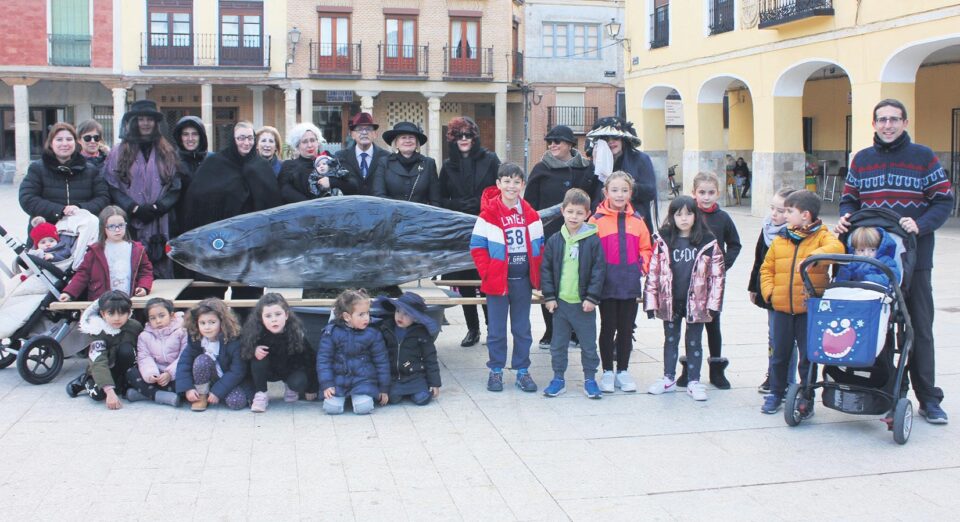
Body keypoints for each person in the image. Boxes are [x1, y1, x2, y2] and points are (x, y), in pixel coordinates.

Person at [836, 99, 953, 425]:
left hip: (914, 259)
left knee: (919, 327)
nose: (888, 125)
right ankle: (885, 392)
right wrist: (846, 216)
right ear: (873, 124)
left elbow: (943, 199)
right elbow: (849, 198)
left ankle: (929, 398)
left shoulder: (923, 157)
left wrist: (922, 224)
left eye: (894, 119)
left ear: (904, 122)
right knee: (879, 325)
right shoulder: (862, 159)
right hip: (873, 259)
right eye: (882, 120)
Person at [760, 190, 844, 415]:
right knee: (779, 355)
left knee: (808, 358)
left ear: (805, 215)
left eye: (789, 211)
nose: (785, 215)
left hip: (808, 310)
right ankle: (776, 393)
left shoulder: (822, 237)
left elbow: (837, 249)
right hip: (782, 310)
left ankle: (806, 397)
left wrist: (812, 258)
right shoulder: (782, 239)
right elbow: (767, 269)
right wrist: (770, 293)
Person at [179, 121, 281, 300]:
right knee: (212, 294)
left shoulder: (261, 166)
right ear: (232, 140)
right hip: (219, 245)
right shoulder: (215, 164)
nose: (246, 143)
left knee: (249, 295)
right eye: (241, 138)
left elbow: (271, 206)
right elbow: (198, 200)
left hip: (251, 247)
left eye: (250, 138)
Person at [470, 163, 545, 393]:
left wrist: (537, 274)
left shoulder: (531, 215)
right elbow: (477, 246)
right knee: (496, 330)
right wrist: (488, 271)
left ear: (523, 185)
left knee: (522, 328)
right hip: (497, 282)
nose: (511, 186)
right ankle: (496, 370)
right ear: (498, 184)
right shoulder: (488, 214)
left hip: (521, 281)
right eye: (507, 181)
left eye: (516, 181)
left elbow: (540, 246)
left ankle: (522, 370)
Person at [644, 196, 725, 401]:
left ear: (696, 215)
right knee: (670, 339)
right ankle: (668, 378)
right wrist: (651, 302)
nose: (684, 218)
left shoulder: (707, 242)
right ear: (672, 217)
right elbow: (653, 272)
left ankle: (694, 381)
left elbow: (717, 276)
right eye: (679, 214)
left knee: (694, 341)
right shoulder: (663, 240)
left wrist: (714, 304)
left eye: (688, 213)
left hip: (697, 303)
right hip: (670, 301)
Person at [526, 124, 597, 349]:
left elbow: (594, 200)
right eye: (550, 141)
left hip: (579, 237)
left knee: (576, 282)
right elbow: (530, 206)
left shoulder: (586, 169)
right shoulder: (541, 168)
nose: (553, 145)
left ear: (570, 144)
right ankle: (551, 331)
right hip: (549, 237)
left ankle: (574, 331)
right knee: (550, 284)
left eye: (558, 141)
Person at [101, 100, 182, 278]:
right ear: (134, 122)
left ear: (156, 123)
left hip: (161, 221)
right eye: (141, 119)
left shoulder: (167, 151)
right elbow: (112, 184)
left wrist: (157, 207)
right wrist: (133, 207)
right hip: (130, 219)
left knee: (161, 266)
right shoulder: (119, 151)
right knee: (131, 268)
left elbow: (175, 187)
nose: (145, 123)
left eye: (150, 119)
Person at [588, 171, 652, 393]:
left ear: (630, 193)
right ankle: (607, 371)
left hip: (629, 284)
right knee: (607, 328)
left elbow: (647, 248)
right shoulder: (595, 221)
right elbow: (589, 251)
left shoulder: (638, 221)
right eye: (614, 190)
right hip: (606, 285)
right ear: (605, 192)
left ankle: (623, 371)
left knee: (626, 329)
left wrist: (640, 267)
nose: (619, 194)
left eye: (624, 190)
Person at [439, 116, 500, 347]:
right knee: (465, 282)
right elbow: (440, 198)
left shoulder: (491, 159)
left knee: (486, 280)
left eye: (467, 134)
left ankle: (492, 329)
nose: (463, 139)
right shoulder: (447, 165)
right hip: (461, 231)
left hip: (486, 227)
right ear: (452, 139)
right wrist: (458, 206)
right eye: (458, 135)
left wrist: (479, 203)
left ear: (474, 137)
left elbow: (500, 188)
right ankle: (472, 329)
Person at [677, 171, 740, 390]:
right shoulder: (687, 215)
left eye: (711, 192)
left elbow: (734, 244)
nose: (706, 197)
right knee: (691, 324)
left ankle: (716, 367)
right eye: (702, 192)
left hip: (713, 282)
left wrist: (723, 265)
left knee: (713, 324)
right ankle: (689, 367)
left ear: (718, 193)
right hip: (688, 282)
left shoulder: (723, 218)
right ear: (693, 193)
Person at [540, 188, 605, 399]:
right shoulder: (555, 241)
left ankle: (590, 379)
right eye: (570, 212)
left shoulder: (593, 240)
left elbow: (598, 271)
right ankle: (558, 378)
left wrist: (592, 298)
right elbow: (546, 270)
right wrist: (549, 297)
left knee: (588, 345)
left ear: (587, 213)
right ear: (562, 211)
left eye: (579, 212)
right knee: (558, 345)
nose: (574, 217)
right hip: (560, 305)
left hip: (583, 305)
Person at [748, 187, 798, 394]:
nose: (775, 214)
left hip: (789, 294)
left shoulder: (795, 234)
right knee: (773, 337)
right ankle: (774, 375)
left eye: (781, 210)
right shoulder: (767, 227)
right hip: (769, 292)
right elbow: (759, 258)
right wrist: (754, 286)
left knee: (788, 339)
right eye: (772, 208)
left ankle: (788, 380)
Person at [19, 122, 110, 228]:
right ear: (51, 143)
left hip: (83, 232)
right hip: (46, 235)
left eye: (69, 139)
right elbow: (27, 198)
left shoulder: (91, 170)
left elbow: (103, 198)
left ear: (76, 143)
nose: (65, 143)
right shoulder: (37, 168)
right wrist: (60, 210)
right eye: (59, 139)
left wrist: (79, 209)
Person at [241, 293, 319, 413]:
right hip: (268, 371)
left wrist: (312, 388)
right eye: (268, 316)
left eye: (278, 314)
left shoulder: (296, 333)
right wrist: (253, 350)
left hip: (289, 370)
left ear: (286, 315)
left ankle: (290, 387)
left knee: (299, 382)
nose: (274, 319)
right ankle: (261, 394)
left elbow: (310, 359)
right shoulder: (255, 334)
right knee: (258, 357)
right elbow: (242, 351)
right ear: (261, 318)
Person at [317, 289, 390, 415]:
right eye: (361, 315)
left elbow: (382, 361)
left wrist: (383, 388)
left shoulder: (373, 333)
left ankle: (358, 397)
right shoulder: (331, 333)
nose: (366, 318)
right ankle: (341, 397)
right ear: (347, 317)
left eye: (367, 313)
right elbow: (324, 360)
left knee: (363, 408)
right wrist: (327, 384)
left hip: (363, 381)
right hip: (338, 381)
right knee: (331, 408)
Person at [65, 291, 142, 410]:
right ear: (102, 313)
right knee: (98, 394)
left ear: (129, 313)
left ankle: (124, 382)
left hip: (124, 367)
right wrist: (109, 392)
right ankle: (85, 380)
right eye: (111, 313)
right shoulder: (97, 330)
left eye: (122, 313)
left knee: (126, 350)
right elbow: (98, 360)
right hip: (103, 367)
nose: (117, 318)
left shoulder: (134, 327)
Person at [60, 206, 153, 302]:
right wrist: (69, 293)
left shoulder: (137, 249)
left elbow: (145, 271)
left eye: (121, 225)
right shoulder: (95, 251)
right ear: (103, 227)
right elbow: (83, 274)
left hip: (128, 301)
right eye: (112, 226)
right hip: (102, 303)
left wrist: (143, 287)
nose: (117, 230)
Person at [176, 298, 252, 412]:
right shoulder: (196, 339)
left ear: (222, 321)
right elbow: (184, 363)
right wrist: (187, 388)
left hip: (228, 378)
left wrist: (218, 391)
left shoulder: (233, 340)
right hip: (205, 378)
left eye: (212, 322)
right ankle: (202, 394)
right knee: (202, 360)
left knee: (236, 402)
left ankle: (213, 393)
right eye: (202, 323)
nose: (207, 327)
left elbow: (238, 370)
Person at [586, 116, 657, 234]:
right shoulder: (597, 162)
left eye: (615, 137)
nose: (611, 142)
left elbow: (650, 191)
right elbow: (589, 194)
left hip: (634, 227)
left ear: (623, 139)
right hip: (604, 227)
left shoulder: (640, 159)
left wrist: (625, 188)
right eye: (605, 138)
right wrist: (595, 166)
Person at [377, 292, 442, 405]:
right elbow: (379, 356)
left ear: (416, 318)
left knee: (422, 399)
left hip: (415, 376)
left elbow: (430, 359)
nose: (400, 316)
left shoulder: (422, 334)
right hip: (394, 376)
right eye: (398, 311)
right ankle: (399, 391)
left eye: (406, 314)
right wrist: (382, 387)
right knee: (393, 399)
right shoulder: (386, 329)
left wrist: (434, 383)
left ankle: (417, 390)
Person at [124, 297, 186, 407]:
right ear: (148, 320)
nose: (158, 321)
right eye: (153, 318)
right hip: (156, 376)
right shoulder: (144, 336)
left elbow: (185, 356)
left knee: (189, 382)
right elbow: (144, 358)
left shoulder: (182, 332)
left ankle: (143, 394)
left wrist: (169, 374)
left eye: (162, 316)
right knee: (131, 372)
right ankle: (160, 396)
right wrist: (151, 374)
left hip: (176, 374)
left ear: (171, 315)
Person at [279, 122, 357, 203]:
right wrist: (313, 206)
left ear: (318, 142)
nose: (309, 145)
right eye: (304, 142)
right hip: (304, 213)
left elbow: (353, 185)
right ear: (297, 146)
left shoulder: (331, 160)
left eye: (312, 140)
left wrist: (332, 182)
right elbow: (285, 192)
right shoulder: (289, 166)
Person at [374, 121, 440, 206]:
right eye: (403, 137)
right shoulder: (384, 163)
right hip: (392, 216)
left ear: (416, 143)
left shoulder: (428, 164)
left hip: (421, 217)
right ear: (396, 143)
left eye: (411, 137)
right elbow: (379, 196)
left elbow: (435, 200)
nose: (407, 140)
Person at [170, 116, 212, 238]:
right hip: (180, 227)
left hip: (207, 225)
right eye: (185, 134)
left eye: (194, 134)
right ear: (180, 137)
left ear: (201, 137)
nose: (190, 139)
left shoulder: (213, 161)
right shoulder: (171, 162)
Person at [334, 112, 389, 196]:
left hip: (376, 206)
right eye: (359, 129)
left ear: (375, 134)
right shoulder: (340, 157)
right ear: (352, 135)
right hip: (350, 207)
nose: (364, 132)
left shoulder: (386, 157)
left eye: (368, 129)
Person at [835, 226, 900, 287]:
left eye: (872, 250)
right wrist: (846, 273)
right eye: (861, 250)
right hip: (855, 294)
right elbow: (840, 282)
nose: (866, 254)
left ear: (878, 248)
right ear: (854, 250)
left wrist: (868, 279)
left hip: (877, 293)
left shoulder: (885, 261)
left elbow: (894, 278)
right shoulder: (850, 262)